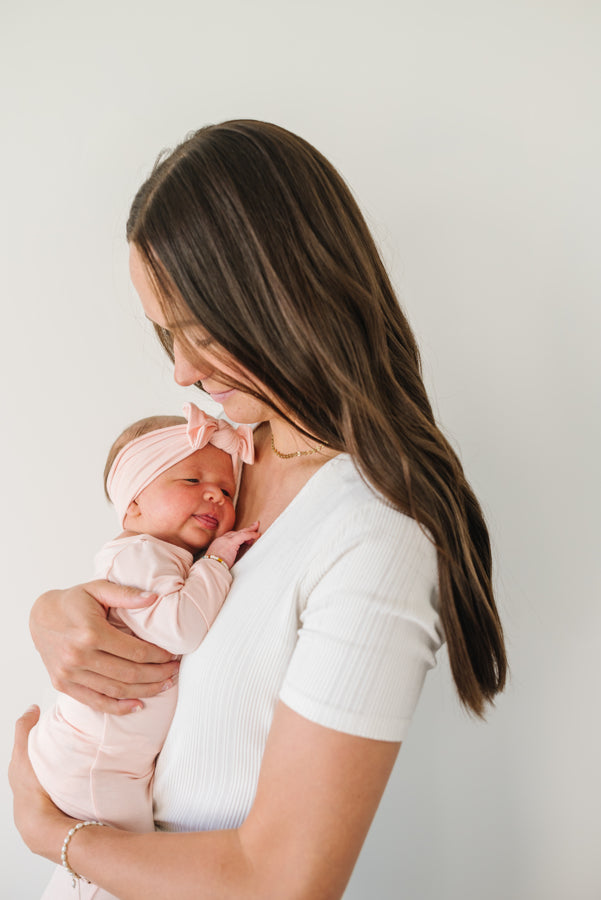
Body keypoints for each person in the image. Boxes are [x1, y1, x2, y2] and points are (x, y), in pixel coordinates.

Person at [10, 119, 507, 900]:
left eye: (201, 334)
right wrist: (57, 613)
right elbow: (148, 583)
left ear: (286, 298)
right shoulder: (232, 460)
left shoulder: (375, 537)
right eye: (166, 333)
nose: (178, 370)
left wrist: (54, 837)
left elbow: (283, 881)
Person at [28, 402, 258, 897]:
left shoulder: (162, 557)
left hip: (104, 758)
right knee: (120, 874)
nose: (216, 494)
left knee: (101, 876)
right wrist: (216, 563)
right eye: (192, 481)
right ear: (133, 505)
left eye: (227, 489)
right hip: (95, 763)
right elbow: (181, 628)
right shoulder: (141, 555)